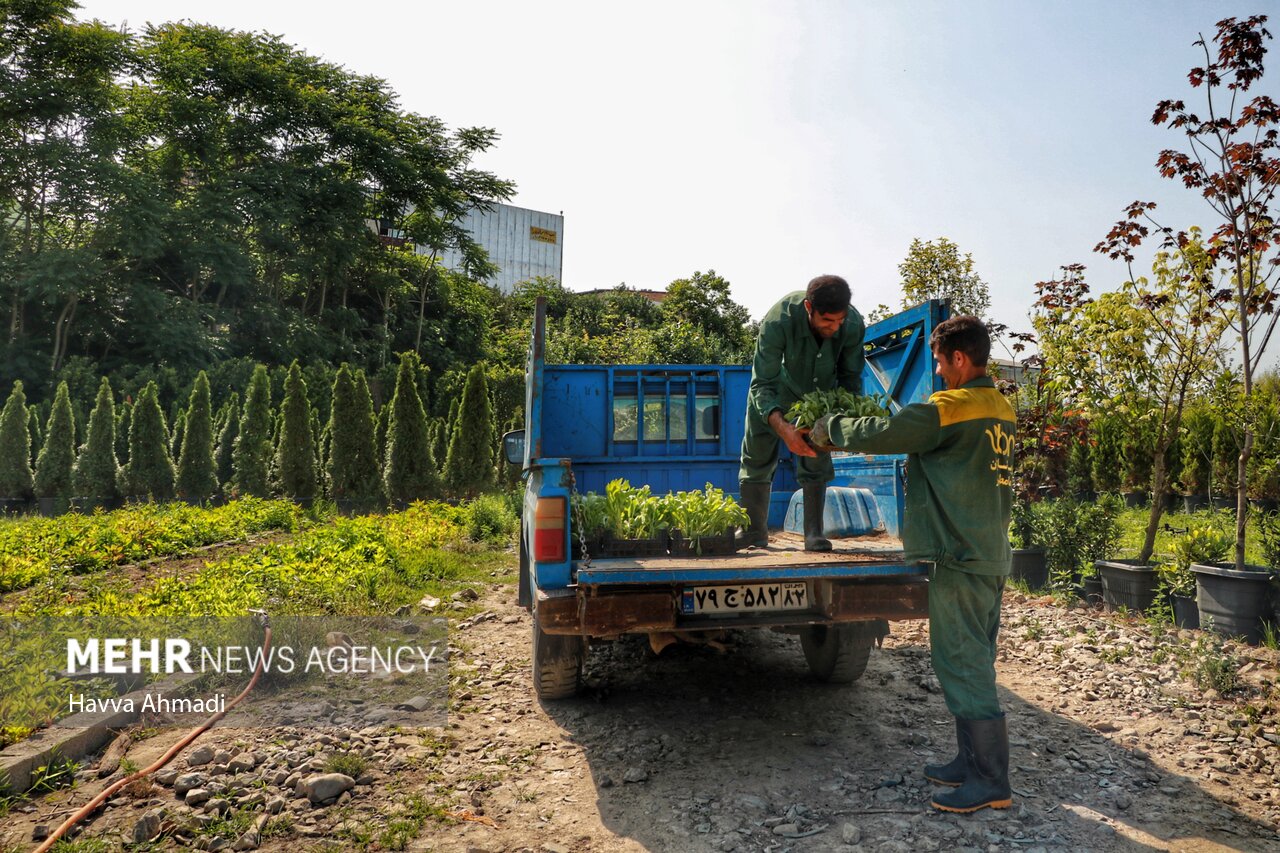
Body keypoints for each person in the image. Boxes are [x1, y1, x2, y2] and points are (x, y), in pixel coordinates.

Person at [809, 315, 1014, 814]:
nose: (939, 373)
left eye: (941, 363)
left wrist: (828, 428)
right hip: (988, 550)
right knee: (975, 659)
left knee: (959, 661)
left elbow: (887, 431)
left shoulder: (951, 407)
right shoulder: (1000, 406)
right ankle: (970, 762)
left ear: (959, 359)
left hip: (959, 555)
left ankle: (990, 781)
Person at [738, 275, 865, 552]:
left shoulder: (853, 325)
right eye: (827, 321)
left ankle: (814, 534)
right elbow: (762, 383)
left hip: (817, 398)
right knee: (757, 455)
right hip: (773, 394)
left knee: (816, 455)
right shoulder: (778, 320)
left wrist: (845, 420)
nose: (834, 327)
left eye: (839, 321)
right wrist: (784, 428)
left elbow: (850, 379)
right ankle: (753, 532)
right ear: (809, 307)